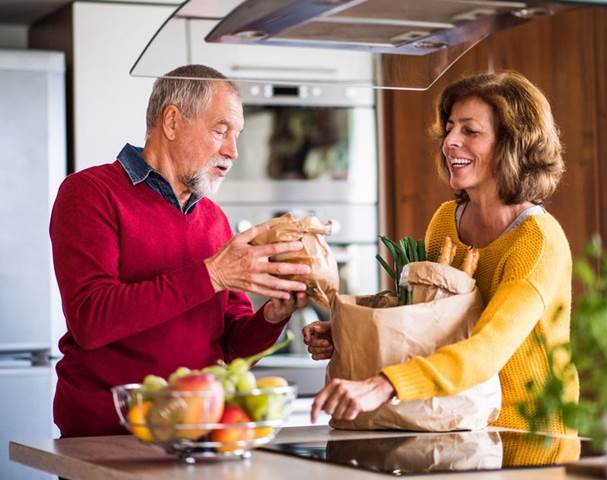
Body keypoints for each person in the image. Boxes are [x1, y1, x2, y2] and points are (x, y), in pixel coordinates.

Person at [306, 71, 578, 433]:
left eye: (470, 131)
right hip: (460, 424)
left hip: (529, 437)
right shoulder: (447, 221)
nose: (449, 141)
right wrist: (351, 335)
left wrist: (385, 384)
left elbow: (486, 349)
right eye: (450, 128)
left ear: (512, 143)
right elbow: (429, 320)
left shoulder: (537, 241)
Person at [50, 65, 311, 437]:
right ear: (172, 121)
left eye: (236, 135)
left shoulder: (214, 218)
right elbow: (91, 320)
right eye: (221, 130)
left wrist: (272, 315)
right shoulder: (90, 193)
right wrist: (212, 275)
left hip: (201, 428)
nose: (233, 151)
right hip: (109, 433)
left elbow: (233, 346)